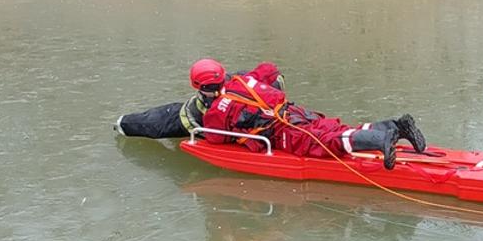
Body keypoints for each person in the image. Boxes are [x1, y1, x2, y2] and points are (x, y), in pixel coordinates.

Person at [203, 63, 426, 169]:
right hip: (294, 112)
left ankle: (380, 140)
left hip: (280, 129)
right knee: (334, 128)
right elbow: (270, 69)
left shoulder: (218, 109)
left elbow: (215, 136)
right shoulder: (243, 80)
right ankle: (395, 126)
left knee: (321, 142)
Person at [114, 58, 229, 139]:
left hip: (186, 119)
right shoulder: (236, 81)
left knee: (155, 123)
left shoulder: (212, 105)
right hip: (187, 112)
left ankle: (122, 124)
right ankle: (122, 124)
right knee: (154, 120)